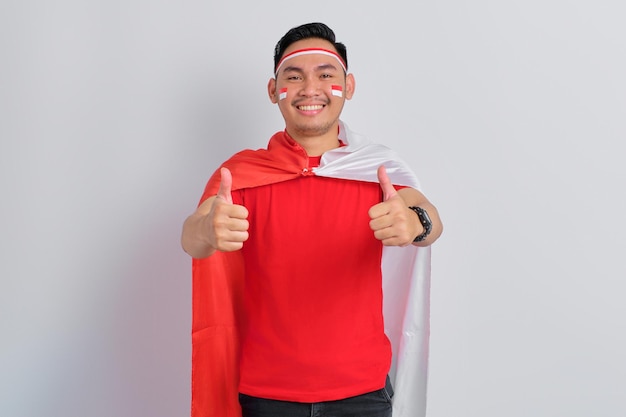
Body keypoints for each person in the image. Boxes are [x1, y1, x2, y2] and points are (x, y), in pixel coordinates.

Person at [181, 22, 443, 417]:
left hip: (363, 394)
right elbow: (192, 236)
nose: (310, 89)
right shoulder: (240, 174)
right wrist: (206, 228)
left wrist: (415, 221)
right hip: (267, 395)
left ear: (348, 86)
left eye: (326, 75)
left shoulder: (376, 168)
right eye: (294, 76)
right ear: (273, 91)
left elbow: (431, 221)